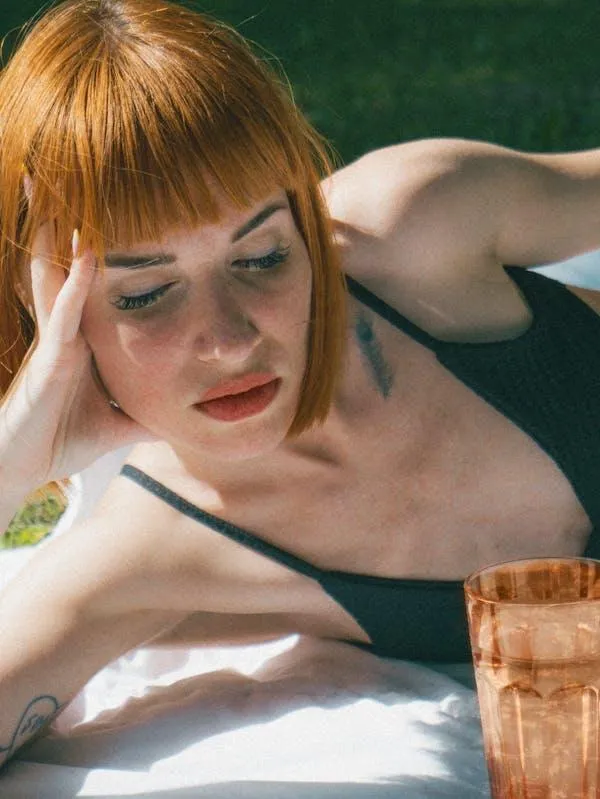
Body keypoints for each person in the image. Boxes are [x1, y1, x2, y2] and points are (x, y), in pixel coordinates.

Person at [2, 0, 600, 769]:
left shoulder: (412, 229)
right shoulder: (156, 551)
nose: (229, 340)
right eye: (146, 294)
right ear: (56, 309)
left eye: (262, 259)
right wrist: (12, 464)